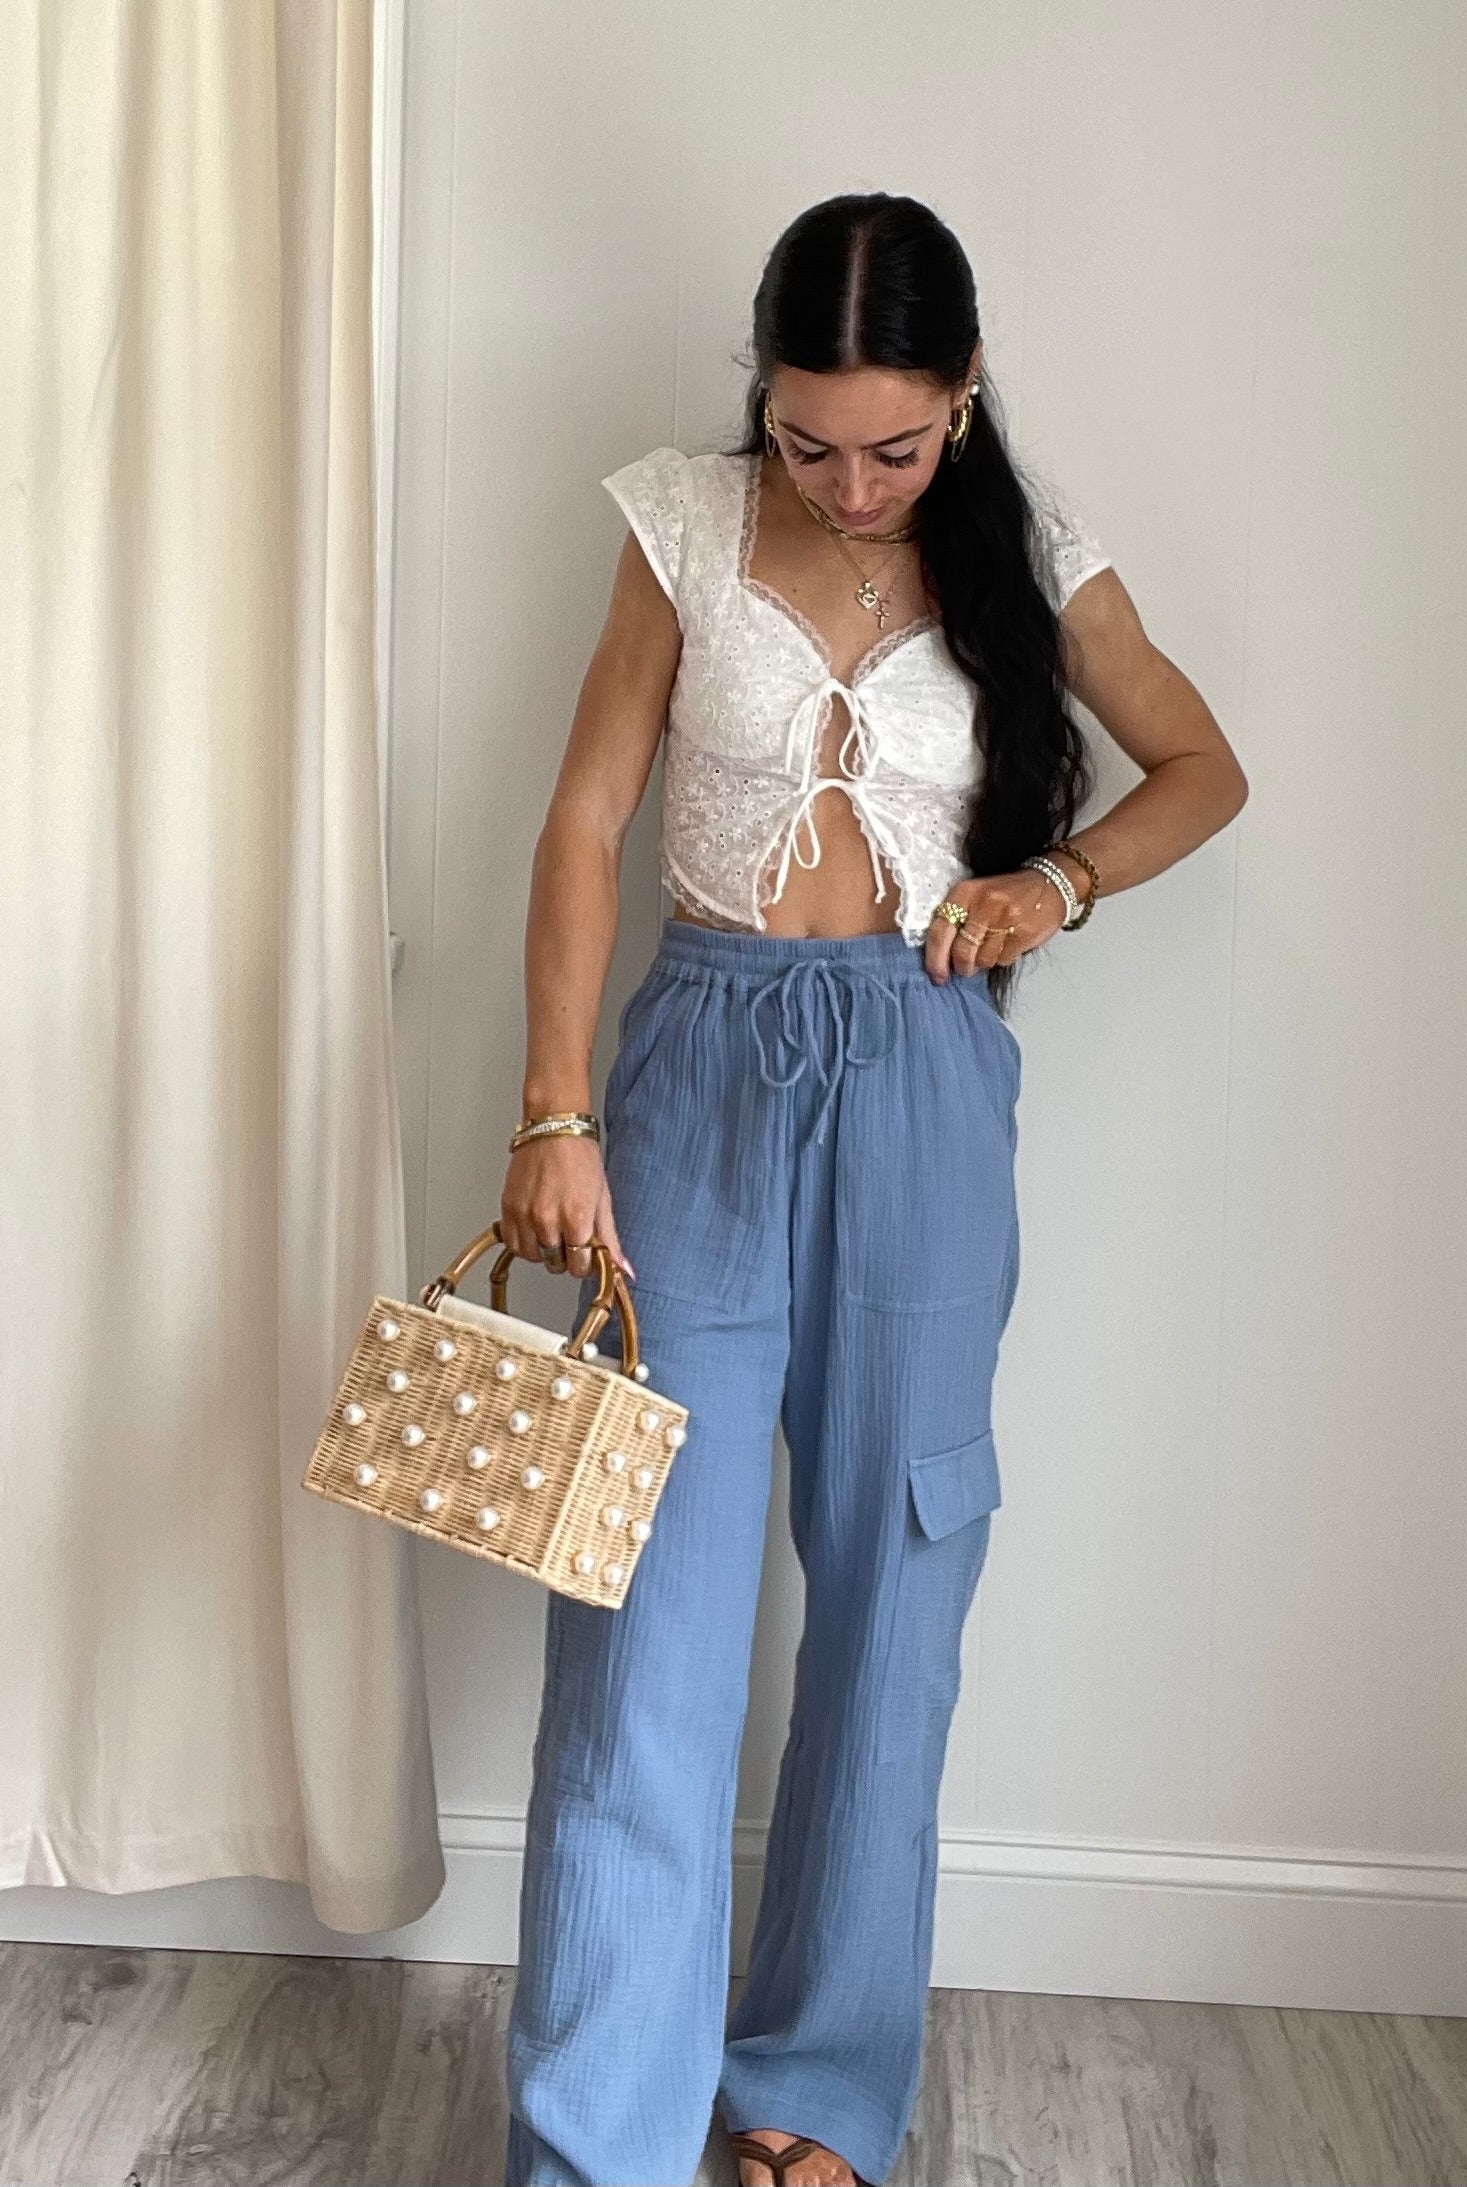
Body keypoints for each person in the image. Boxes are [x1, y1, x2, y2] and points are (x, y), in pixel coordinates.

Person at [497, 192, 1248, 2187]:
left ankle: (814, 2090)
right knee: (635, 1608)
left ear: (963, 393)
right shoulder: (681, 521)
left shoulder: (1033, 551)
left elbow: (1200, 764)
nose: (847, 484)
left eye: (892, 447)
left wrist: (1059, 880)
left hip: (922, 1079)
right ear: (764, 395)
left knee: (896, 1592)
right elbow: (584, 818)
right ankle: (594, 2138)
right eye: (809, 439)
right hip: (694, 1080)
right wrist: (554, 1109)